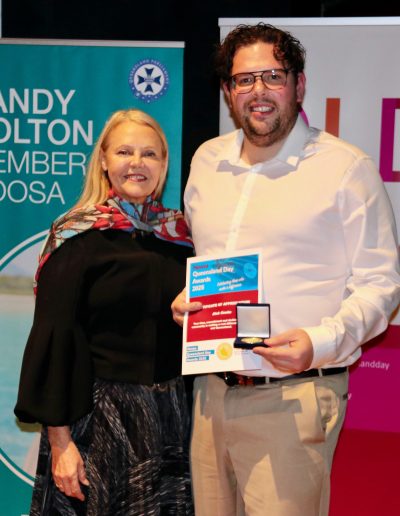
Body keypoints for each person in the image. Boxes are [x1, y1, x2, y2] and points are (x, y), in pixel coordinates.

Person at [171, 23, 400, 516]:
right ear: (228, 92)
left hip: (293, 397)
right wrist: (190, 303)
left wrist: (319, 342)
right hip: (211, 393)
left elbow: (381, 284)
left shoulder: (345, 168)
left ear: (299, 85)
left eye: (273, 76)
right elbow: (207, 261)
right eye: (244, 79)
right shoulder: (207, 162)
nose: (258, 91)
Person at [14, 109, 194, 515]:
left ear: (164, 164)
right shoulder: (75, 236)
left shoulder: (183, 239)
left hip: (172, 424)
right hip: (95, 425)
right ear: (104, 161)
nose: (137, 163)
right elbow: (54, 342)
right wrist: (61, 444)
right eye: (125, 152)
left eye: (150, 154)